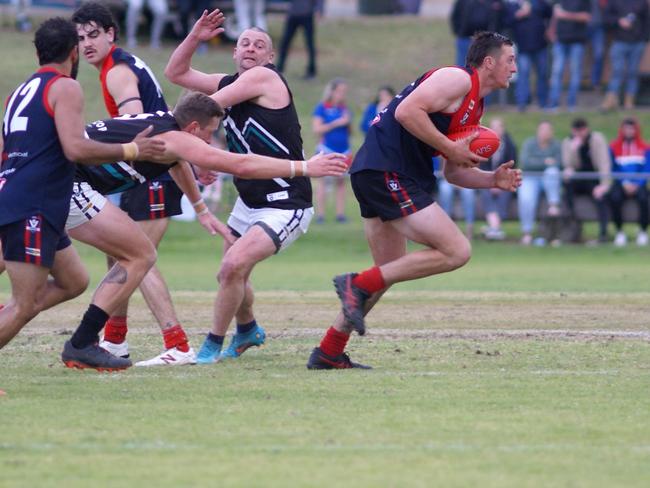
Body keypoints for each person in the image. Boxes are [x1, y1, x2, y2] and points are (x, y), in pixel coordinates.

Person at [61, 94, 346, 370]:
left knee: (65, 279)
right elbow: (241, 164)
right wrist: (305, 167)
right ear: (193, 127)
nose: (209, 141)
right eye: (209, 134)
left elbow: (174, 162)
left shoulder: (165, 122)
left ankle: (99, 341)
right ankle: (85, 341)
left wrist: (201, 209)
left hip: (59, 178)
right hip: (67, 182)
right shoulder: (176, 137)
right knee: (139, 255)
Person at [306, 32, 522, 370]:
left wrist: (491, 179)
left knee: (387, 273)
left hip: (381, 172)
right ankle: (355, 283)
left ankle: (328, 351)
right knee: (457, 251)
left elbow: (454, 173)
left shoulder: (474, 106)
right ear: (490, 62)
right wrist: (450, 147)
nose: (515, 67)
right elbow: (407, 111)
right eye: (510, 60)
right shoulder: (457, 79)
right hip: (388, 169)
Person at [0, 17, 165, 357]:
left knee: (73, 281)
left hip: (26, 197)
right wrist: (131, 150)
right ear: (73, 53)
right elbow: (76, 148)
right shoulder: (64, 87)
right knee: (24, 304)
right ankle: (71, 342)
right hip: (34, 203)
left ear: (37, 52)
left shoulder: (19, 92)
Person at [165, 10, 322, 363]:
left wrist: (193, 151)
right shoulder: (231, 84)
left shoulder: (265, 78)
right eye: (244, 43)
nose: (251, 48)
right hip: (248, 201)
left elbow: (202, 108)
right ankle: (248, 327)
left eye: (259, 45)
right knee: (234, 275)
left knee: (231, 267)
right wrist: (194, 36)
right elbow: (176, 74)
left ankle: (211, 346)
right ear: (235, 54)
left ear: (270, 58)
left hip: (286, 202)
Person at [72, 1, 209, 366]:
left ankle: (177, 344)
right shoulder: (118, 65)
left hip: (149, 173)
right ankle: (115, 340)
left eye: (94, 35)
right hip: (151, 171)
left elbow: (135, 125)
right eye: (81, 37)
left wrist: (95, 144)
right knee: (119, 254)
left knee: (137, 256)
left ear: (111, 34)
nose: (86, 43)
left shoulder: (117, 71)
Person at [562, 118, 612, 243]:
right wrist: (573, 150)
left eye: (582, 130)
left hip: (593, 178)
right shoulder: (568, 142)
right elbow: (568, 165)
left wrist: (604, 185)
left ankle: (603, 233)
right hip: (578, 178)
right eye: (576, 131)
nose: (579, 134)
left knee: (601, 199)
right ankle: (572, 229)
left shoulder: (597, 139)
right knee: (566, 193)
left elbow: (604, 162)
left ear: (587, 129)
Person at [312, 78, 352, 223]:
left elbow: (349, 131)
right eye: (340, 91)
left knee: (341, 182)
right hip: (326, 148)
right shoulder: (322, 107)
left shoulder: (344, 109)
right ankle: (320, 215)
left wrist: (347, 123)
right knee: (323, 181)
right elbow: (317, 129)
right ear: (332, 91)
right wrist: (336, 123)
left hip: (344, 150)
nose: (342, 94)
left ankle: (340, 214)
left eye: (344, 92)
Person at [517, 120, 562, 245]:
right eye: (542, 130)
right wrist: (545, 162)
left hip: (548, 179)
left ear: (552, 132)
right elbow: (526, 163)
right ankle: (527, 232)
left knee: (552, 172)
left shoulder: (556, 145)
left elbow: (559, 163)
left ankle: (554, 204)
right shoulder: (529, 144)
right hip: (530, 177)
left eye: (548, 130)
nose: (545, 133)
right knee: (526, 199)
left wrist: (540, 163)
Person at [503, 0, 552, 111]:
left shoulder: (538, 3)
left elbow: (549, 12)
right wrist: (518, 15)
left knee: (542, 75)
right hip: (523, 47)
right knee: (523, 75)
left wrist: (535, 7)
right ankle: (522, 103)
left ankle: (543, 102)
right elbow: (506, 22)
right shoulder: (512, 5)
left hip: (541, 46)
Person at [601, 0, 649, 111]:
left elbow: (647, 21)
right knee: (617, 71)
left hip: (637, 43)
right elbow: (606, 19)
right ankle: (611, 100)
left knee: (632, 73)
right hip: (619, 41)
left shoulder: (641, 2)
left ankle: (629, 102)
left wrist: (644, 39)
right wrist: (618, 21)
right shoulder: (614, 2)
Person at [608, 118, 649, 247]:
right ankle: (619, 232)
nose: (629, 131)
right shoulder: (614, 147)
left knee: (644, 199)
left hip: (639, 184)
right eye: (626, 128)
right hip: (621, 183)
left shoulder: (645, 147)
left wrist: (637, 183)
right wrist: (624, 182)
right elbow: (613, 168)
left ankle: (642, 231)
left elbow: (647, 168)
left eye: (631, 128)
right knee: (615, 198)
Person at [547, 0, 591, 111]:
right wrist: (551, 30)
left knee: (575, 72)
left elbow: (586, 17)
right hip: (560, 41)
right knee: (557, 72)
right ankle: (553, 105)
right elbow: (555, 15)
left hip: (577, 41)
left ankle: (572, 105)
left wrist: (565, 15)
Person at [480, 117, 517, 240]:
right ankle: (496, 228)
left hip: (505, 179)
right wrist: (492, 182)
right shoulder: (484, 144)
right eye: (493, 127)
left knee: (506, 190)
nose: (496, 130)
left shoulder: (510, 145)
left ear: (503, 128)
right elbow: (482, 165)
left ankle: (494, 227)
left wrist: (499, 182)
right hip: (487, 180)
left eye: (498, 127)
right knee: (484, 191)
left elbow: (512, 164)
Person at [276, 0, 324, 79]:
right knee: (285, 43)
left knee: (310, 44)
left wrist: (319, 10)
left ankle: (311, 71)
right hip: (293, 15)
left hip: (307, 15)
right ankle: (279, 69)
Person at [450, 0, 504, 67]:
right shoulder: (463, 1)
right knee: (462, 64)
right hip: (465, 37)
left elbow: (501, 18)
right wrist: (458, 31)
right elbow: (455, 16)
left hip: (486, 40)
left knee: (482, 65)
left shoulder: (495, 2)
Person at [436, 158, 476, 239]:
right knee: (445, 190)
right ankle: (446, 227)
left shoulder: (469, 152)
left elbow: (473, 171)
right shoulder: (446, 152)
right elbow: (444, 173)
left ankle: (469, 227)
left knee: (469, 193)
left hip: (465, 181)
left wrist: (461, 183)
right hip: (448, 181)